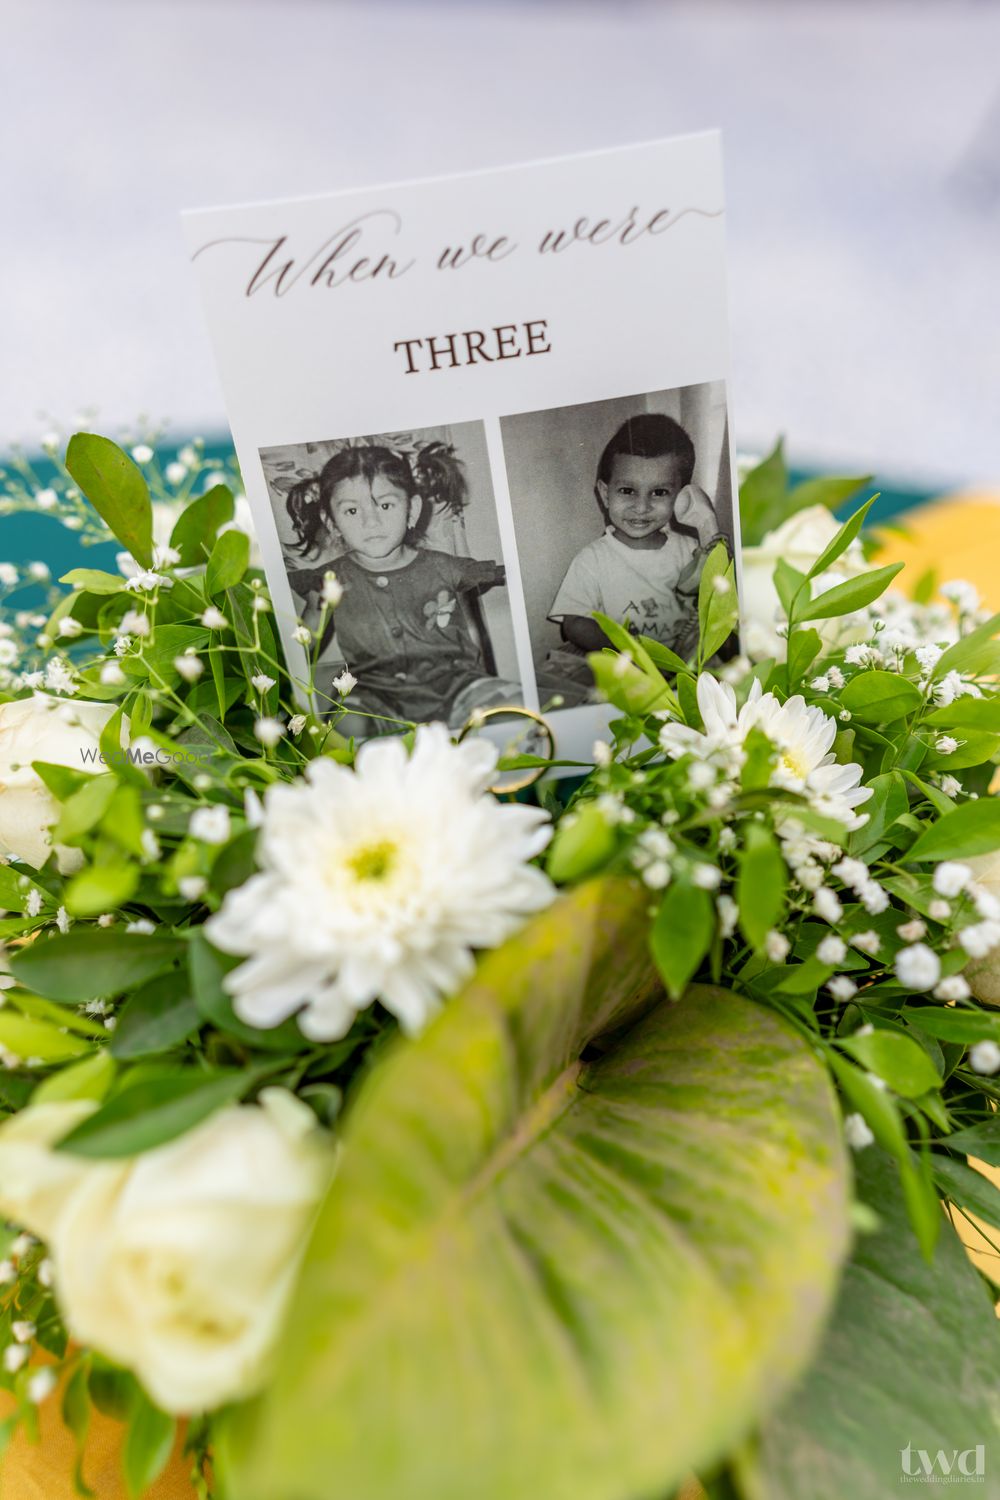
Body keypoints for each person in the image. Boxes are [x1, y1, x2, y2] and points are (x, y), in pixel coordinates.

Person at [286, 442, 518, 727]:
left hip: (456, 684)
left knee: (512, 707)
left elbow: (475, 635)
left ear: (412, 510)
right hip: (373, 693)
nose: (371, 522)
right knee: (346, 726)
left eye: (385, 505)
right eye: (352, 511)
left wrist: (484, 682)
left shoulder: (446, 568)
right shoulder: (327, 581)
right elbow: (301, 645)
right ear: (331, 522)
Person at [549, 412, 726, 658]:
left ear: (682, 497)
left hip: (686, 660)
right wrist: (629, 651)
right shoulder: (592, 560)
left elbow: (719, 603)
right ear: (605, 494)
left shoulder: (691, 550)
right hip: (628, 663)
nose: (641, 507)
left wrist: (718, 558)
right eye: (627, 490)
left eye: (659, 492)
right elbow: (574, 623)